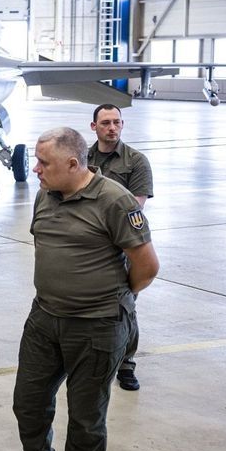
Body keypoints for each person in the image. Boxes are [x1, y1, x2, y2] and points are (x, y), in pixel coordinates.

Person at [0, 128, 159, 451]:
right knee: (28, 401)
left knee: (86, 414)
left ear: (73, 163)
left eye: (44, 162)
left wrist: (108, 297)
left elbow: (146, 268)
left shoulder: (114, 200)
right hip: (45, 318)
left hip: (97, 325)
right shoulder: (44, 195)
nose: (35, 169)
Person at [87, 103, 154, 392]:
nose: (111, 127)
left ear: (123, 125)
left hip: (122, 245)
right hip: (87, 246)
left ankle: (126, 364)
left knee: (125, 307)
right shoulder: (81, 156)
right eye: (105, 123)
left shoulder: (136, 161)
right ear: (94, 127)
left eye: (116, 122)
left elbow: (134, 206)